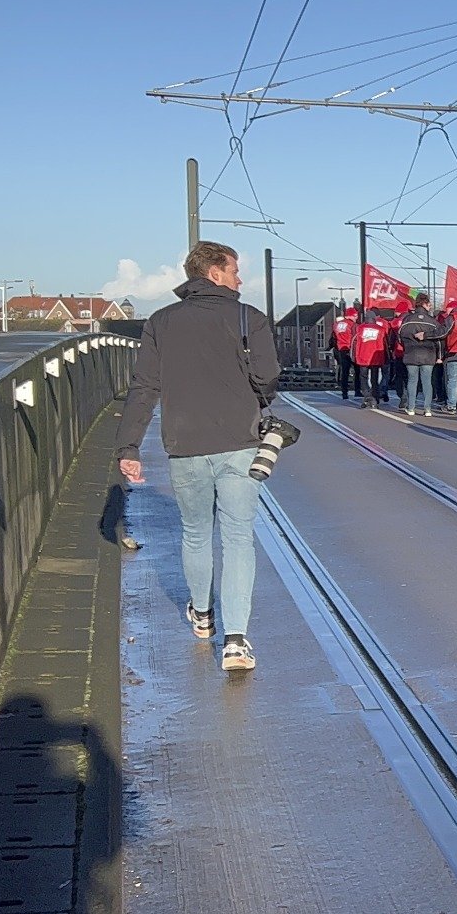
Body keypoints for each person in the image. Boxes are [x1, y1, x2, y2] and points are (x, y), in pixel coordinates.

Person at [115, 241, 279, 673]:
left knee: (195, 532)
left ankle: (203, 615)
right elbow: (267, 378)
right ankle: (237, 641)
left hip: (184, 444)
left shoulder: (161, 322)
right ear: (214, 273)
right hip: (239, 442)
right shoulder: (250, 318)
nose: (240, 279)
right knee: (239, 536)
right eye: (235, 270)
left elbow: (144, 387)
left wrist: (129, 446)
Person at [398, 294, 444, 417]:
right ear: (425, 304)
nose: (430, 307)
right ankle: (427, 409)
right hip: (428, 355)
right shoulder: (433, 321)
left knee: (412, 381)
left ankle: (411, 407)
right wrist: (439, 356)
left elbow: (399, 336)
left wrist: (406, 346)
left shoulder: (407, 320)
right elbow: (439, 340)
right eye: (429, 304)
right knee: (427, 382)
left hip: (411, 355)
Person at [351, 308, 390, 408]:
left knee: (363, 378)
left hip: (362, 357)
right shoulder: (381, 329)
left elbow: (354, 343)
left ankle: (366, 395)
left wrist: (353, 357)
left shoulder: (359, 328)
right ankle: (375, 398)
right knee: (374, 379)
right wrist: (387, 357)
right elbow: (385, 344)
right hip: (376, 358)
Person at [333, 306, 357, 399]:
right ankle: (357, 390)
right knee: (357, 370)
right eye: (355, 316)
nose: (356, 318)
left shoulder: (336, 324)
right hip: (350, 348)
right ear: (351, 316)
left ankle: (344, 392)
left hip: (341, 349)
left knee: (344, 371)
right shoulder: (352, 325)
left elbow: (334, 337)